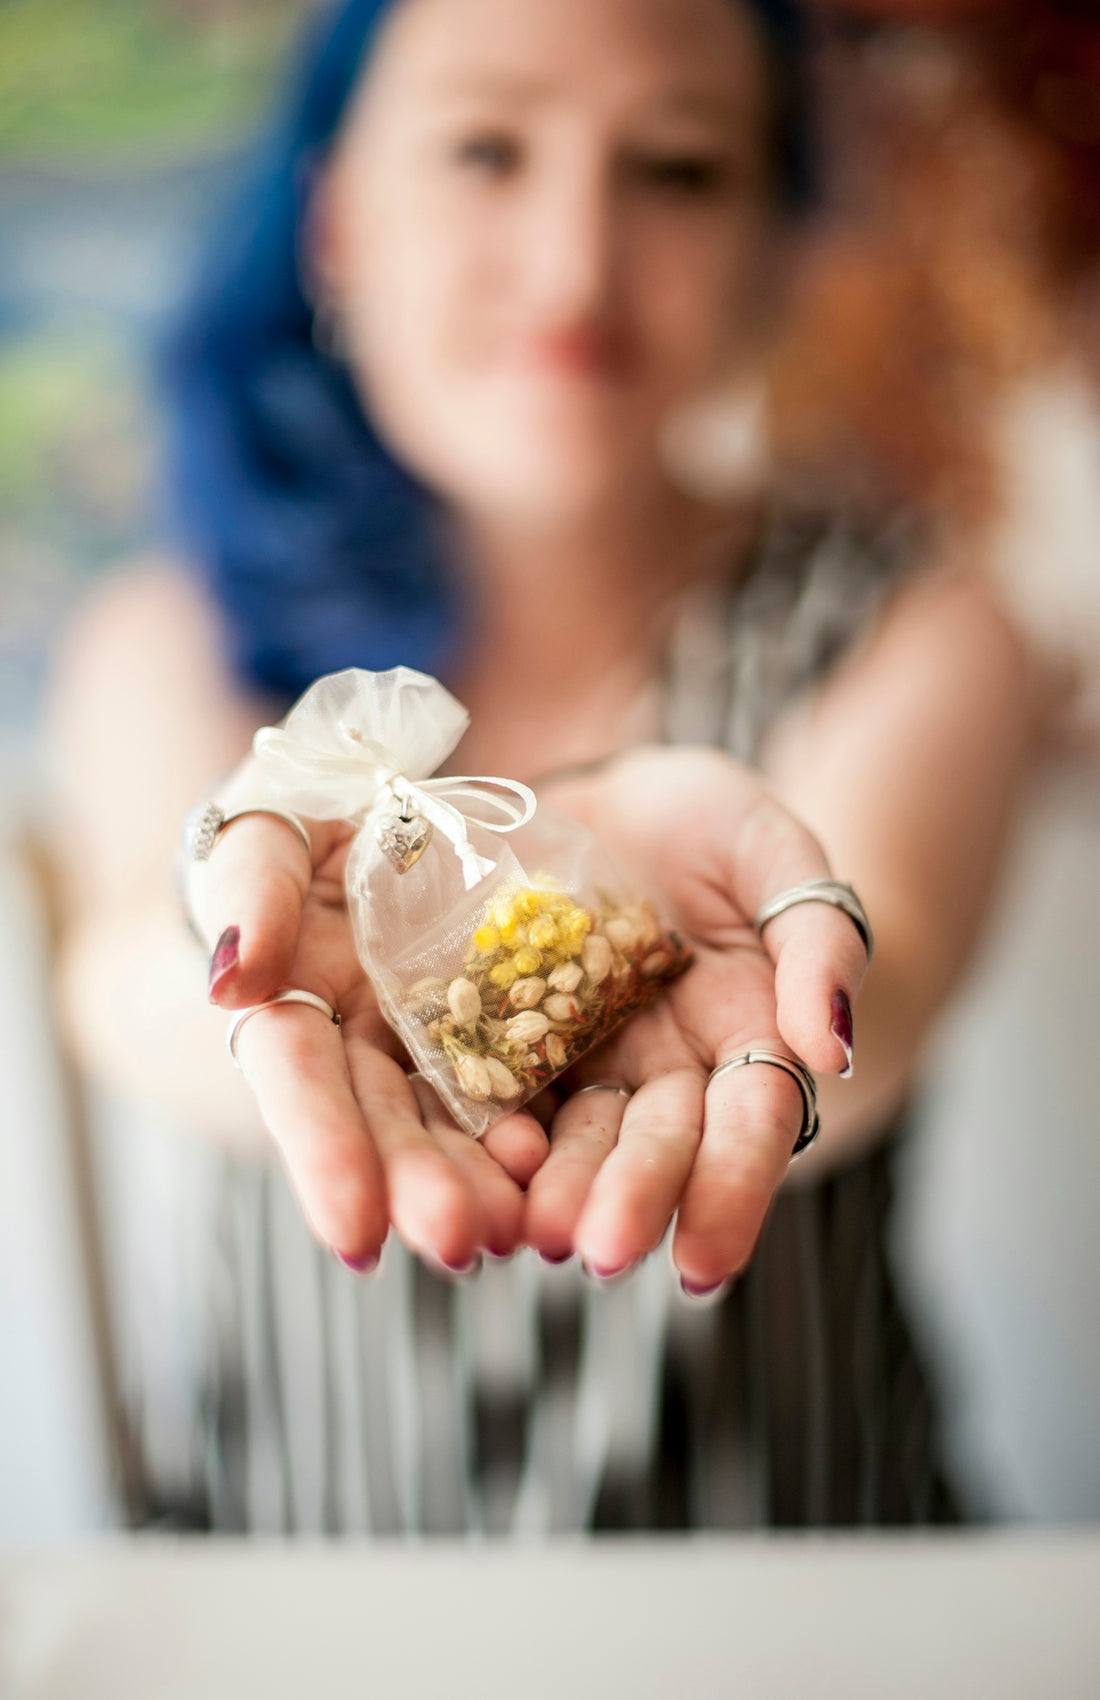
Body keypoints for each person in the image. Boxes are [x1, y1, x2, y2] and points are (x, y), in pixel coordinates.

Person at [46, 0, 1044, 1530]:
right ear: (337, 219)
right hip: (290, 1606)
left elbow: (878, 972)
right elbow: (116, 968)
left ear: (774, 244)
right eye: (487, 147)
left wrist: (791, 992)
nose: (576, 260)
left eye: (681, 169)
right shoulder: (180, 634)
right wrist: (250, 980)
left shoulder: (919, 622)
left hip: (820, 1599)